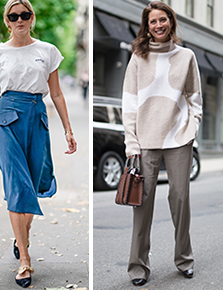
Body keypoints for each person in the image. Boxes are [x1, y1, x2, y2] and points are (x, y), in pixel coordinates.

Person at [0, 0, 77, 287]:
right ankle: (25, 259)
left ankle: (20, 235)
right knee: (17, 185)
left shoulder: (47, 51)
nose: (19, 19)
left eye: (24, 14)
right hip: (5, 120)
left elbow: (57, 94)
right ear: (6, 21)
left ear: (32, 18)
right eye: (13, 16)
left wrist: (68, 130)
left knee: (33, 185)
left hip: (36, 118)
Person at [121, 1, 202, 286]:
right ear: (147, 26)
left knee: (180, 199)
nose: (158, 25)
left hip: (179, 138)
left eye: (163, 20)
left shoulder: (186, 56)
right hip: (146, 140)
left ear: (171, 22)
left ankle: (184, 259)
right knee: (141, 204)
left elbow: (194, 98)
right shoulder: (138, 58)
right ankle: (138, 267)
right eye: (153, 21)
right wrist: (131, 143)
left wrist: (192, 127)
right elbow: (129, 104)